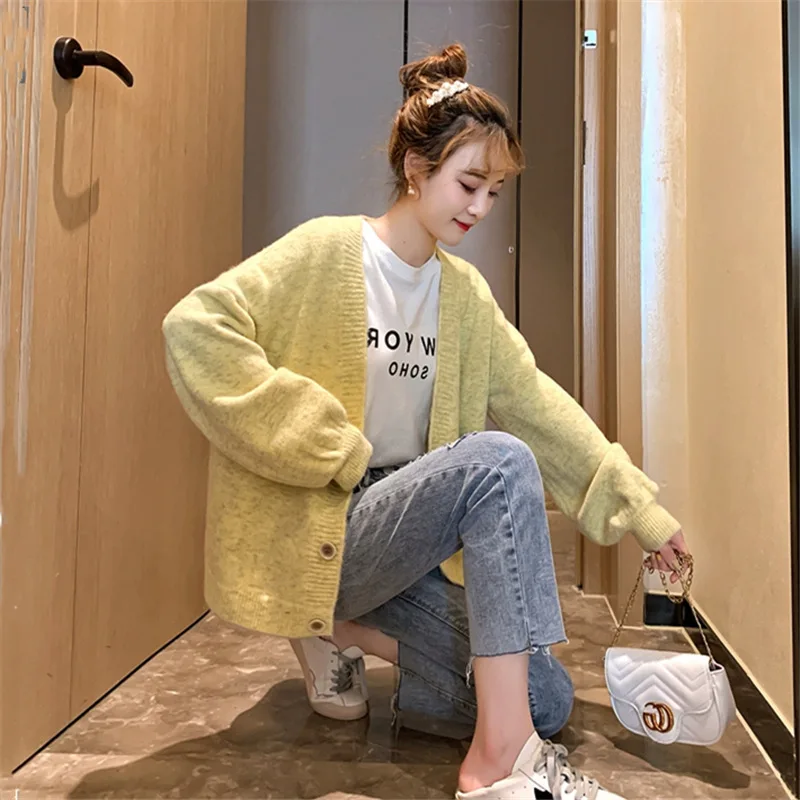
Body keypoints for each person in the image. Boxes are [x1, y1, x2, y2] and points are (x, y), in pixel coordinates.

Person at [163, 43, 688, 800]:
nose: (480, 207)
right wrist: (322, 439)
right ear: (416, 168)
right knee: (498, 463)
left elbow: (539, 405)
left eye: (494, 191)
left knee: (546, 698)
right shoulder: (328, 251)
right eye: (468, 184)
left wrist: (643, 514)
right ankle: (498, 763)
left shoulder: (464, 296)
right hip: (330, 524)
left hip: (407, 538)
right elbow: (195, 328)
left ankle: (342, 631)